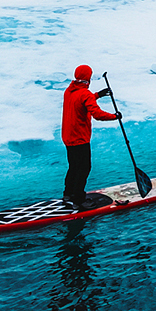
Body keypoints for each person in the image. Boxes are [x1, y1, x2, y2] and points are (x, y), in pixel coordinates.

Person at [62, 64, 121, 209]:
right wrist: (115, 116)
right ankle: (78, 200)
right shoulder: (85, 94)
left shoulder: (69, 91)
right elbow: (98, 114)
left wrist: (98, 95)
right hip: (80, 138)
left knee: (74, 167)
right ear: (88, 77)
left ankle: (68, 194)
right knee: (84, 168)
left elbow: (80, 100)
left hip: (68, 137)